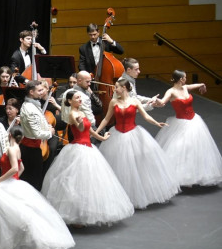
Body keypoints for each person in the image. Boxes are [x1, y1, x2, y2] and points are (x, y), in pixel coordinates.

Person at [0, 127, 74, 249]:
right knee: (7, 219)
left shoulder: (12, 149)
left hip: (9, 184)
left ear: (10, 134)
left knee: (13, 218)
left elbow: (15, 168)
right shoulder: (16, 148)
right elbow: (21, 168)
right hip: (14, 183)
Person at [41, 92, 134, 226]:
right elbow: (79, 127)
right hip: (78, 148)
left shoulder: (81, 112)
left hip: (88, 147)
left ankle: (84, 212)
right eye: (77, 98)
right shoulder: (72, 114)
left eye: (80, 98)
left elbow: (89, 130)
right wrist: (79, 123)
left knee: (91, 181)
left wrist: (102, 138)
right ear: (70, 101)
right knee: (76, 182)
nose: (80, 100)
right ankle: (76, 216)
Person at [94, 79, 180, 208]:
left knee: (136, 165)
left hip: (133, 134)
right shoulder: (113, 102)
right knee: (119, 164)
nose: (115, 90)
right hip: (117, 134)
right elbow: (106, 118)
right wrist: (97, 131)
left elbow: (145, 116)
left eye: (116, 87)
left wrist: (157, 123)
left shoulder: (134, 101)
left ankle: (136, 193)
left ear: (123, 88)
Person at [154, 70, 222, 187]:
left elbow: (193, 86)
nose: (186, 79)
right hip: (181, 122)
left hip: (194, 121)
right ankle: (178, 175)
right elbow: (163, 102)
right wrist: (157, 101)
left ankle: (197, 173)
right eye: (185, 77)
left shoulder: (185, 88)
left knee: (197, 147)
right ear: (181, 79)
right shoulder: (171, 91)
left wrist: (202, 85)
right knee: (180, 147)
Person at [18, 80, 55, 191]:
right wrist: (50, 132)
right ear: (31, 92)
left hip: (31, 148)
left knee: (32, 180)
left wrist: (46, 126)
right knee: (33, 182)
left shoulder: (31, 104)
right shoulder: (30, 109)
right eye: (39, 90)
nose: (42, 93)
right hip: (31, 151)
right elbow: (36, 133)